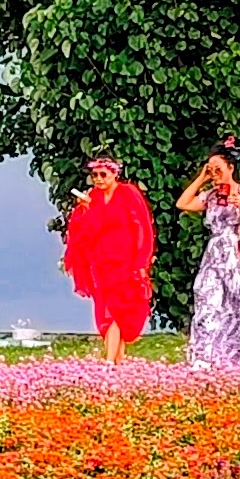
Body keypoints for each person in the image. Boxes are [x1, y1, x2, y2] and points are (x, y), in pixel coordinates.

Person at [178, 140, 240, 368]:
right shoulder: (211, 195)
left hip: (238, 254)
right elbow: (183, 203)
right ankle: (206, 356)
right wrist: (202, 178)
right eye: (211, 170)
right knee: (209, 302)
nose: (215, 174)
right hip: (215, 255)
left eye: (218, 169)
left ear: (230, 167)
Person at [61, 156, 155, 364]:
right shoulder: (92, 198)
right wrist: (85, 210)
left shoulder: (127, 193)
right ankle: (116, 360)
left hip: (125, 261)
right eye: (95, 175)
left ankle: (110, 361)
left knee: (118, 310)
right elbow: (84, 231)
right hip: (100, 262)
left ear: (114, 174)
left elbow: (141, 227)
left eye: (103, 174)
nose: (98, 179)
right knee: (107, 310)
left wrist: (141, 261)